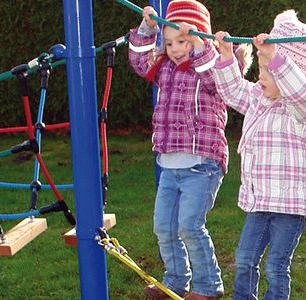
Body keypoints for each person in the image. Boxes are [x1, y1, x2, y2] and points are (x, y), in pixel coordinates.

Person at [128, 1, 230, 299]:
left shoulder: (212, 71)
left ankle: (208, 287)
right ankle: (174, 282)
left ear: (200, 39)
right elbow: (138, 61)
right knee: (164, 227)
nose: (174, 48)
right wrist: (147, 29)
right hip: (170, 166)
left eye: (182, 41)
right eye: (169, 41)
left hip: (202, 164)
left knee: (189, 226)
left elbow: (216, 79)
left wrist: (200, 47)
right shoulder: (164, 69)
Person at [213, 10, 306, 300]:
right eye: (261, 69)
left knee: (276, 265)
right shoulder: (258, 98)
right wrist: (227, 56)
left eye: (270, 71)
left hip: (291, 205)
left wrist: (276, 59)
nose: (261, 76)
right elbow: (231, 90)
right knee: (244, 259)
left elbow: (299, 91)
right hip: (260, 201)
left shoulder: (298, 111)